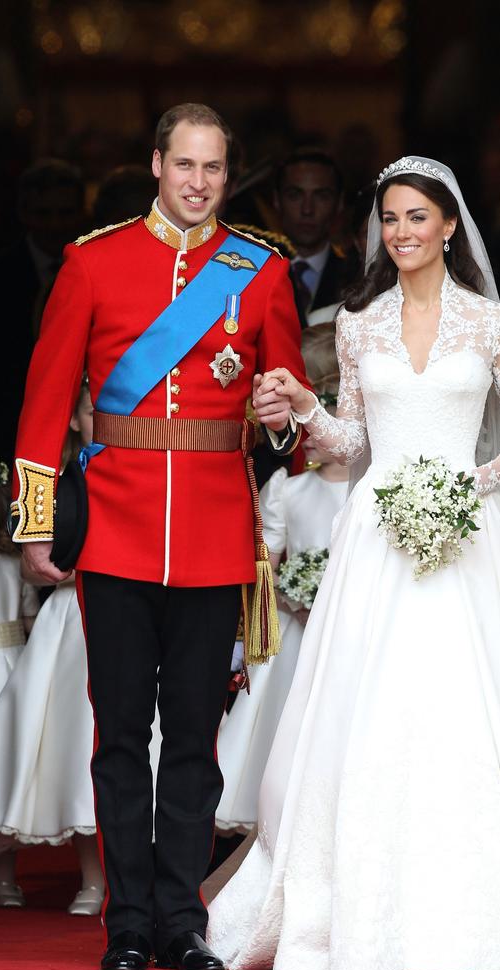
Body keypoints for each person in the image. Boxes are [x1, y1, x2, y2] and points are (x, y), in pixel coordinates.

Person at [208, 156, 500, 970]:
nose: (401, 232)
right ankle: (368, 923)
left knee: (474, 715)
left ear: (449, 225)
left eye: (417, 217)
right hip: (376, 538)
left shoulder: (492, 323)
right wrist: (306, 408)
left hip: (465, 535)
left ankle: (495, 923)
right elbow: (351, 441)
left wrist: (463, 488)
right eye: (390, 219)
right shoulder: (358, 322)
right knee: (371, 716)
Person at [10, 103, 307, 970]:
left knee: (192, 741)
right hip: (116, 533)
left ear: (227, 174)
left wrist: (282, 417)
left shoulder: (260, 270)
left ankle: (183, 918)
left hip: (215, 533)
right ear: (155, 165)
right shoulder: (92, 263)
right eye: (185, 165)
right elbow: (43, 404)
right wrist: (36, 525)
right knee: (117, 737)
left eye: (213, 169)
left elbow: (286, 420)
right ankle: (128, 922)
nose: (198, 182)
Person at [216, 326, 349, 835]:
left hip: (347, 620)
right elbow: (267, 554)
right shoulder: (288, 489)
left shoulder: (367, 491)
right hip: (296, 624)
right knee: (283, 714)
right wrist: (290, 591)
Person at [0, 382, 105, 916]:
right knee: (69, 742)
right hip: (69, 620)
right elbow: (28, 561)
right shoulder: (55, 485)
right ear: (76, 422)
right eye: (93, 411)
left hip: (132, 615)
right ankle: (89, 878)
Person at [0, 159, 86, 469]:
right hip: (13, 424)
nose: (55, 224)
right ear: (24, 214)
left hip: (86, 428)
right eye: (43, 213)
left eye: (65, 213)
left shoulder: (101, 266)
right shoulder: (2, 275)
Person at [0, 459, 39, 908]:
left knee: (3, 773)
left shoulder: (10, 565)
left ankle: (5, 875)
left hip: (6, 667)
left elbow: (28, 620)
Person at [274, 150, 359, 325]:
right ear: (277, 201)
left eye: (322, 196)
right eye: (295, 195)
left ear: (339, 203)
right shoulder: (253, 270)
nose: (307, 209)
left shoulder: (357, 276)